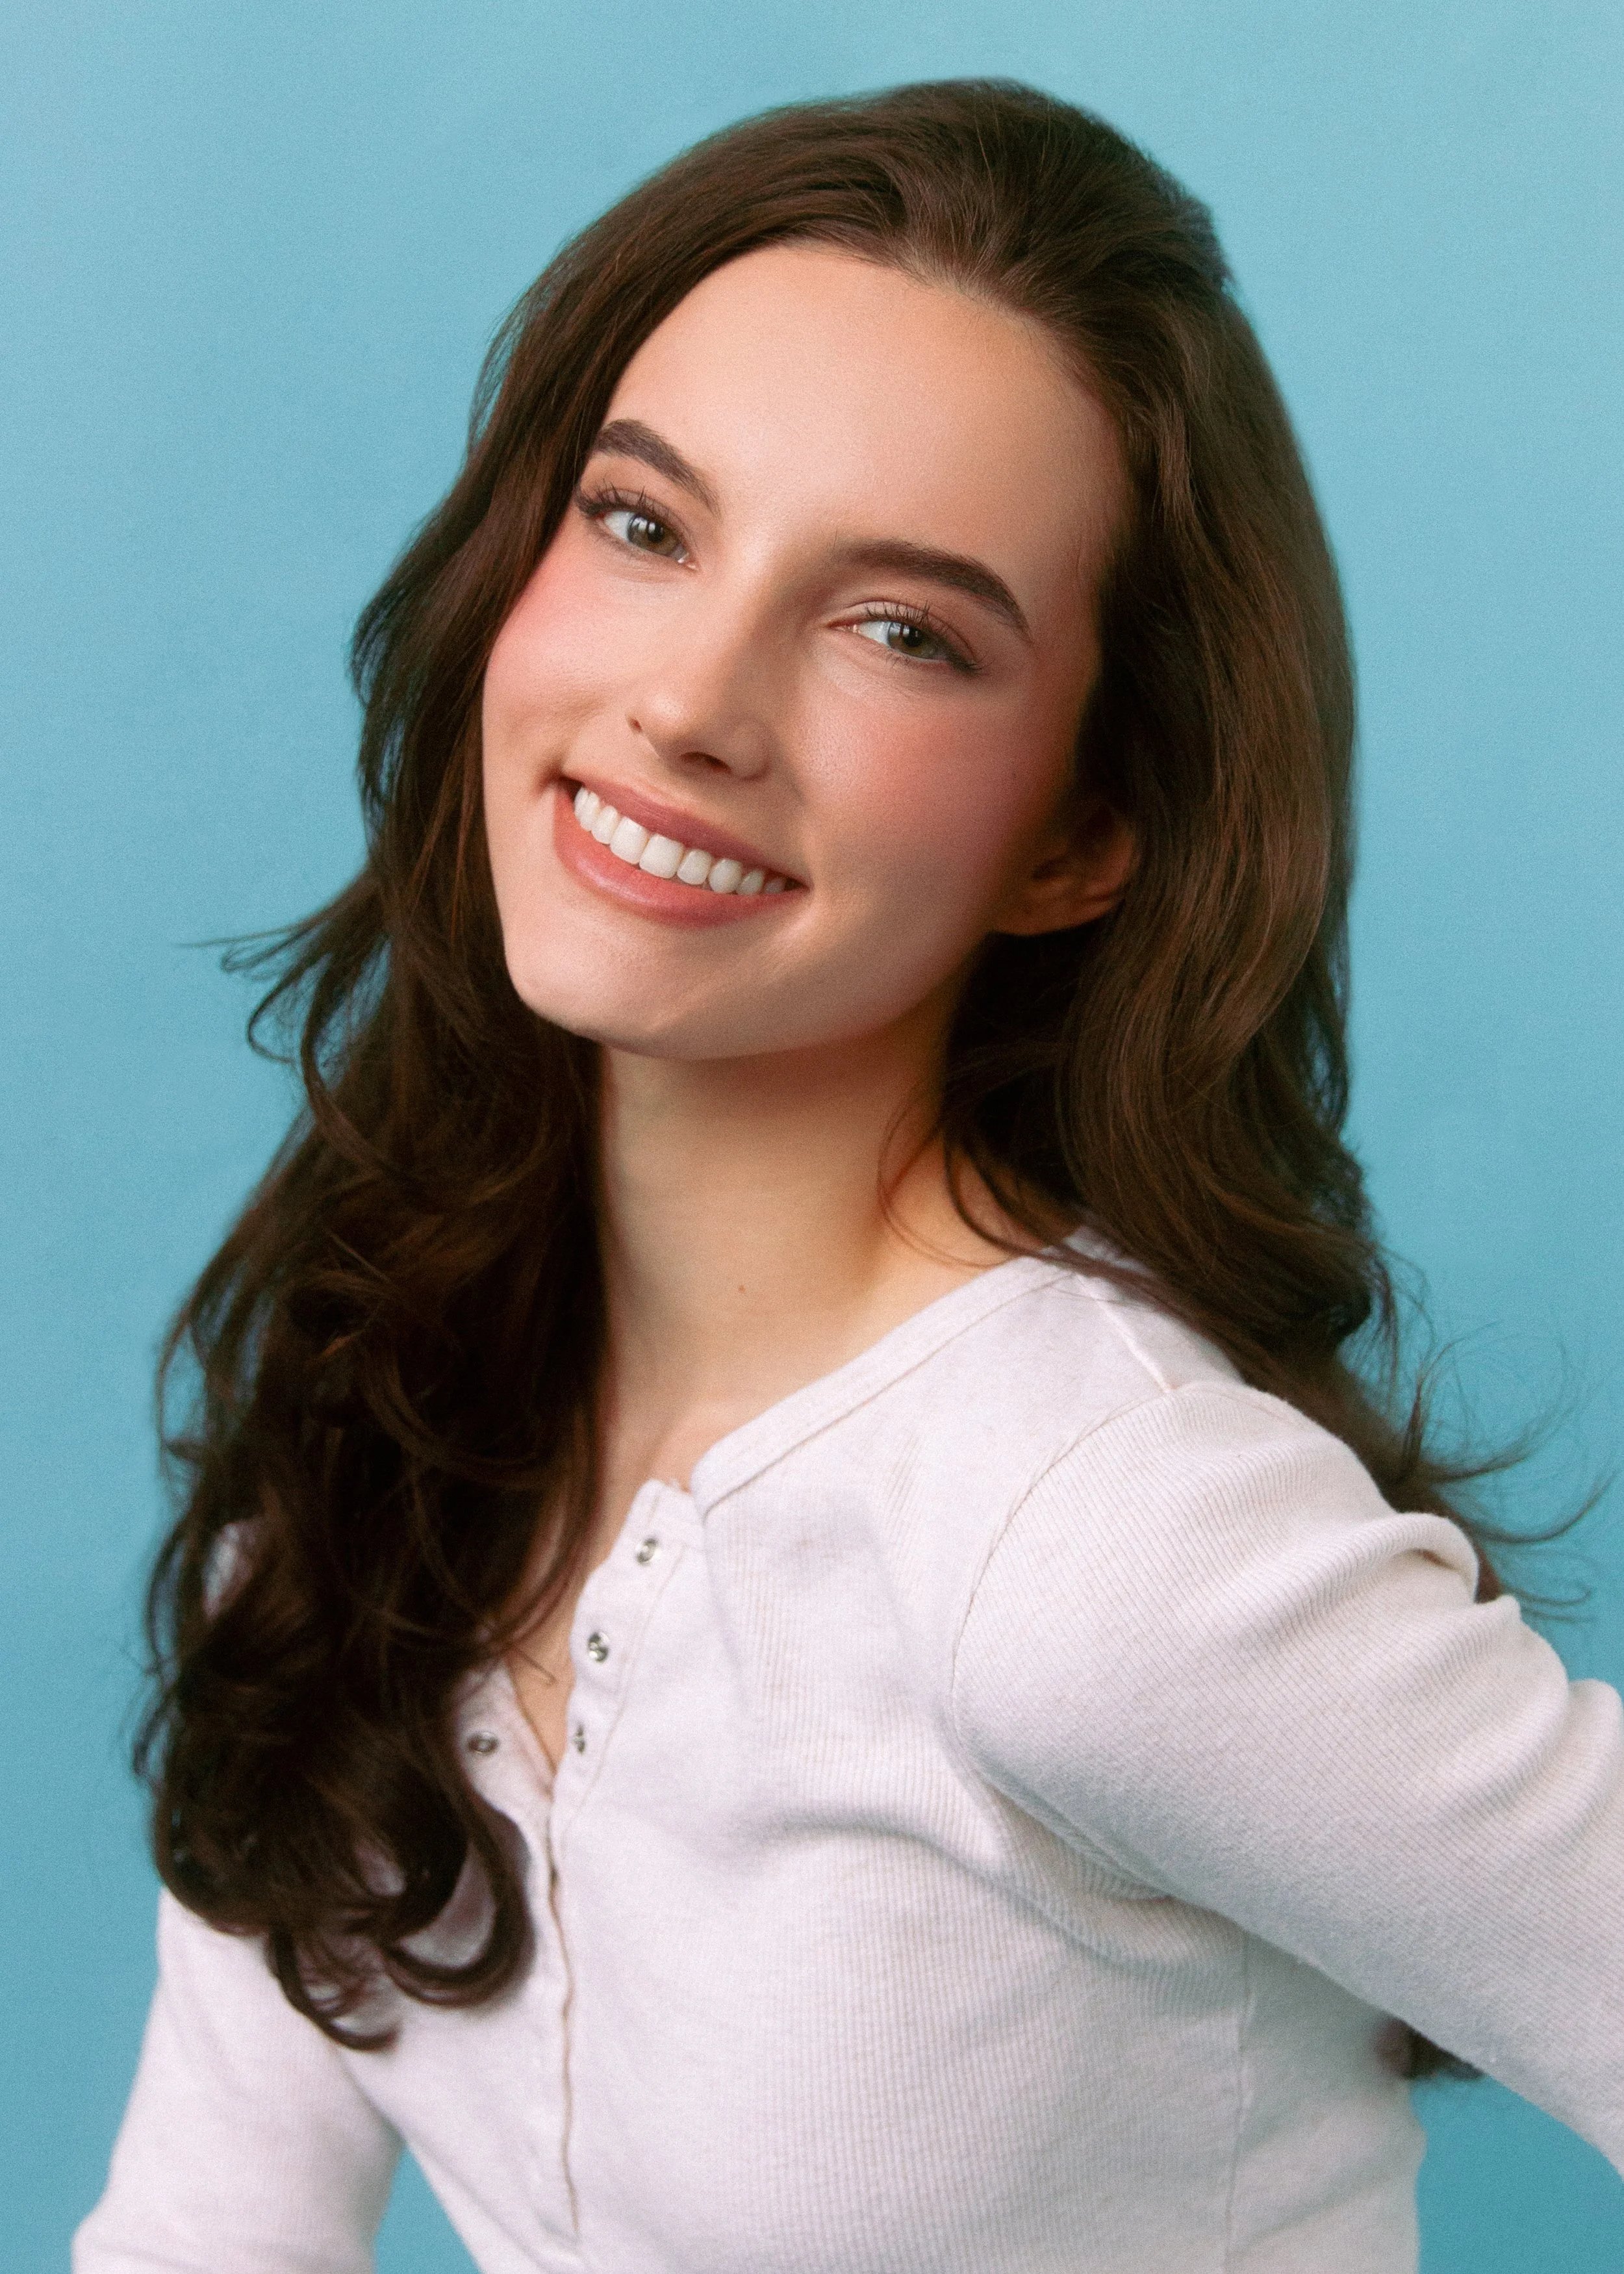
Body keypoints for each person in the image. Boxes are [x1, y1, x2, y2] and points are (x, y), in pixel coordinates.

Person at [76, 77, 1622, 2274]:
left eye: (900, 629)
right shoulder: (364, 1447)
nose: (691, 700)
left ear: (1082, 834)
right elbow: (205, 2234)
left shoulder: (1101, 1542)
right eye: (640, 524)